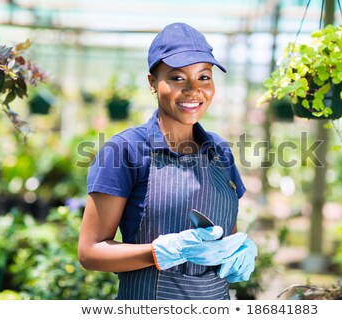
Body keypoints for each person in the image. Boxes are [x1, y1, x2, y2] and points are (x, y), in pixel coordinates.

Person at [78, 22, 257, 300]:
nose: (194, 90)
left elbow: (226, 234)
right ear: (152, 82)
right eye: (177, 78)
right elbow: (90, 252)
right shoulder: (125, 150)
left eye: (204, 77)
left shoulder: (220, 151)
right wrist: (159, 252)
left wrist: (240, 248)